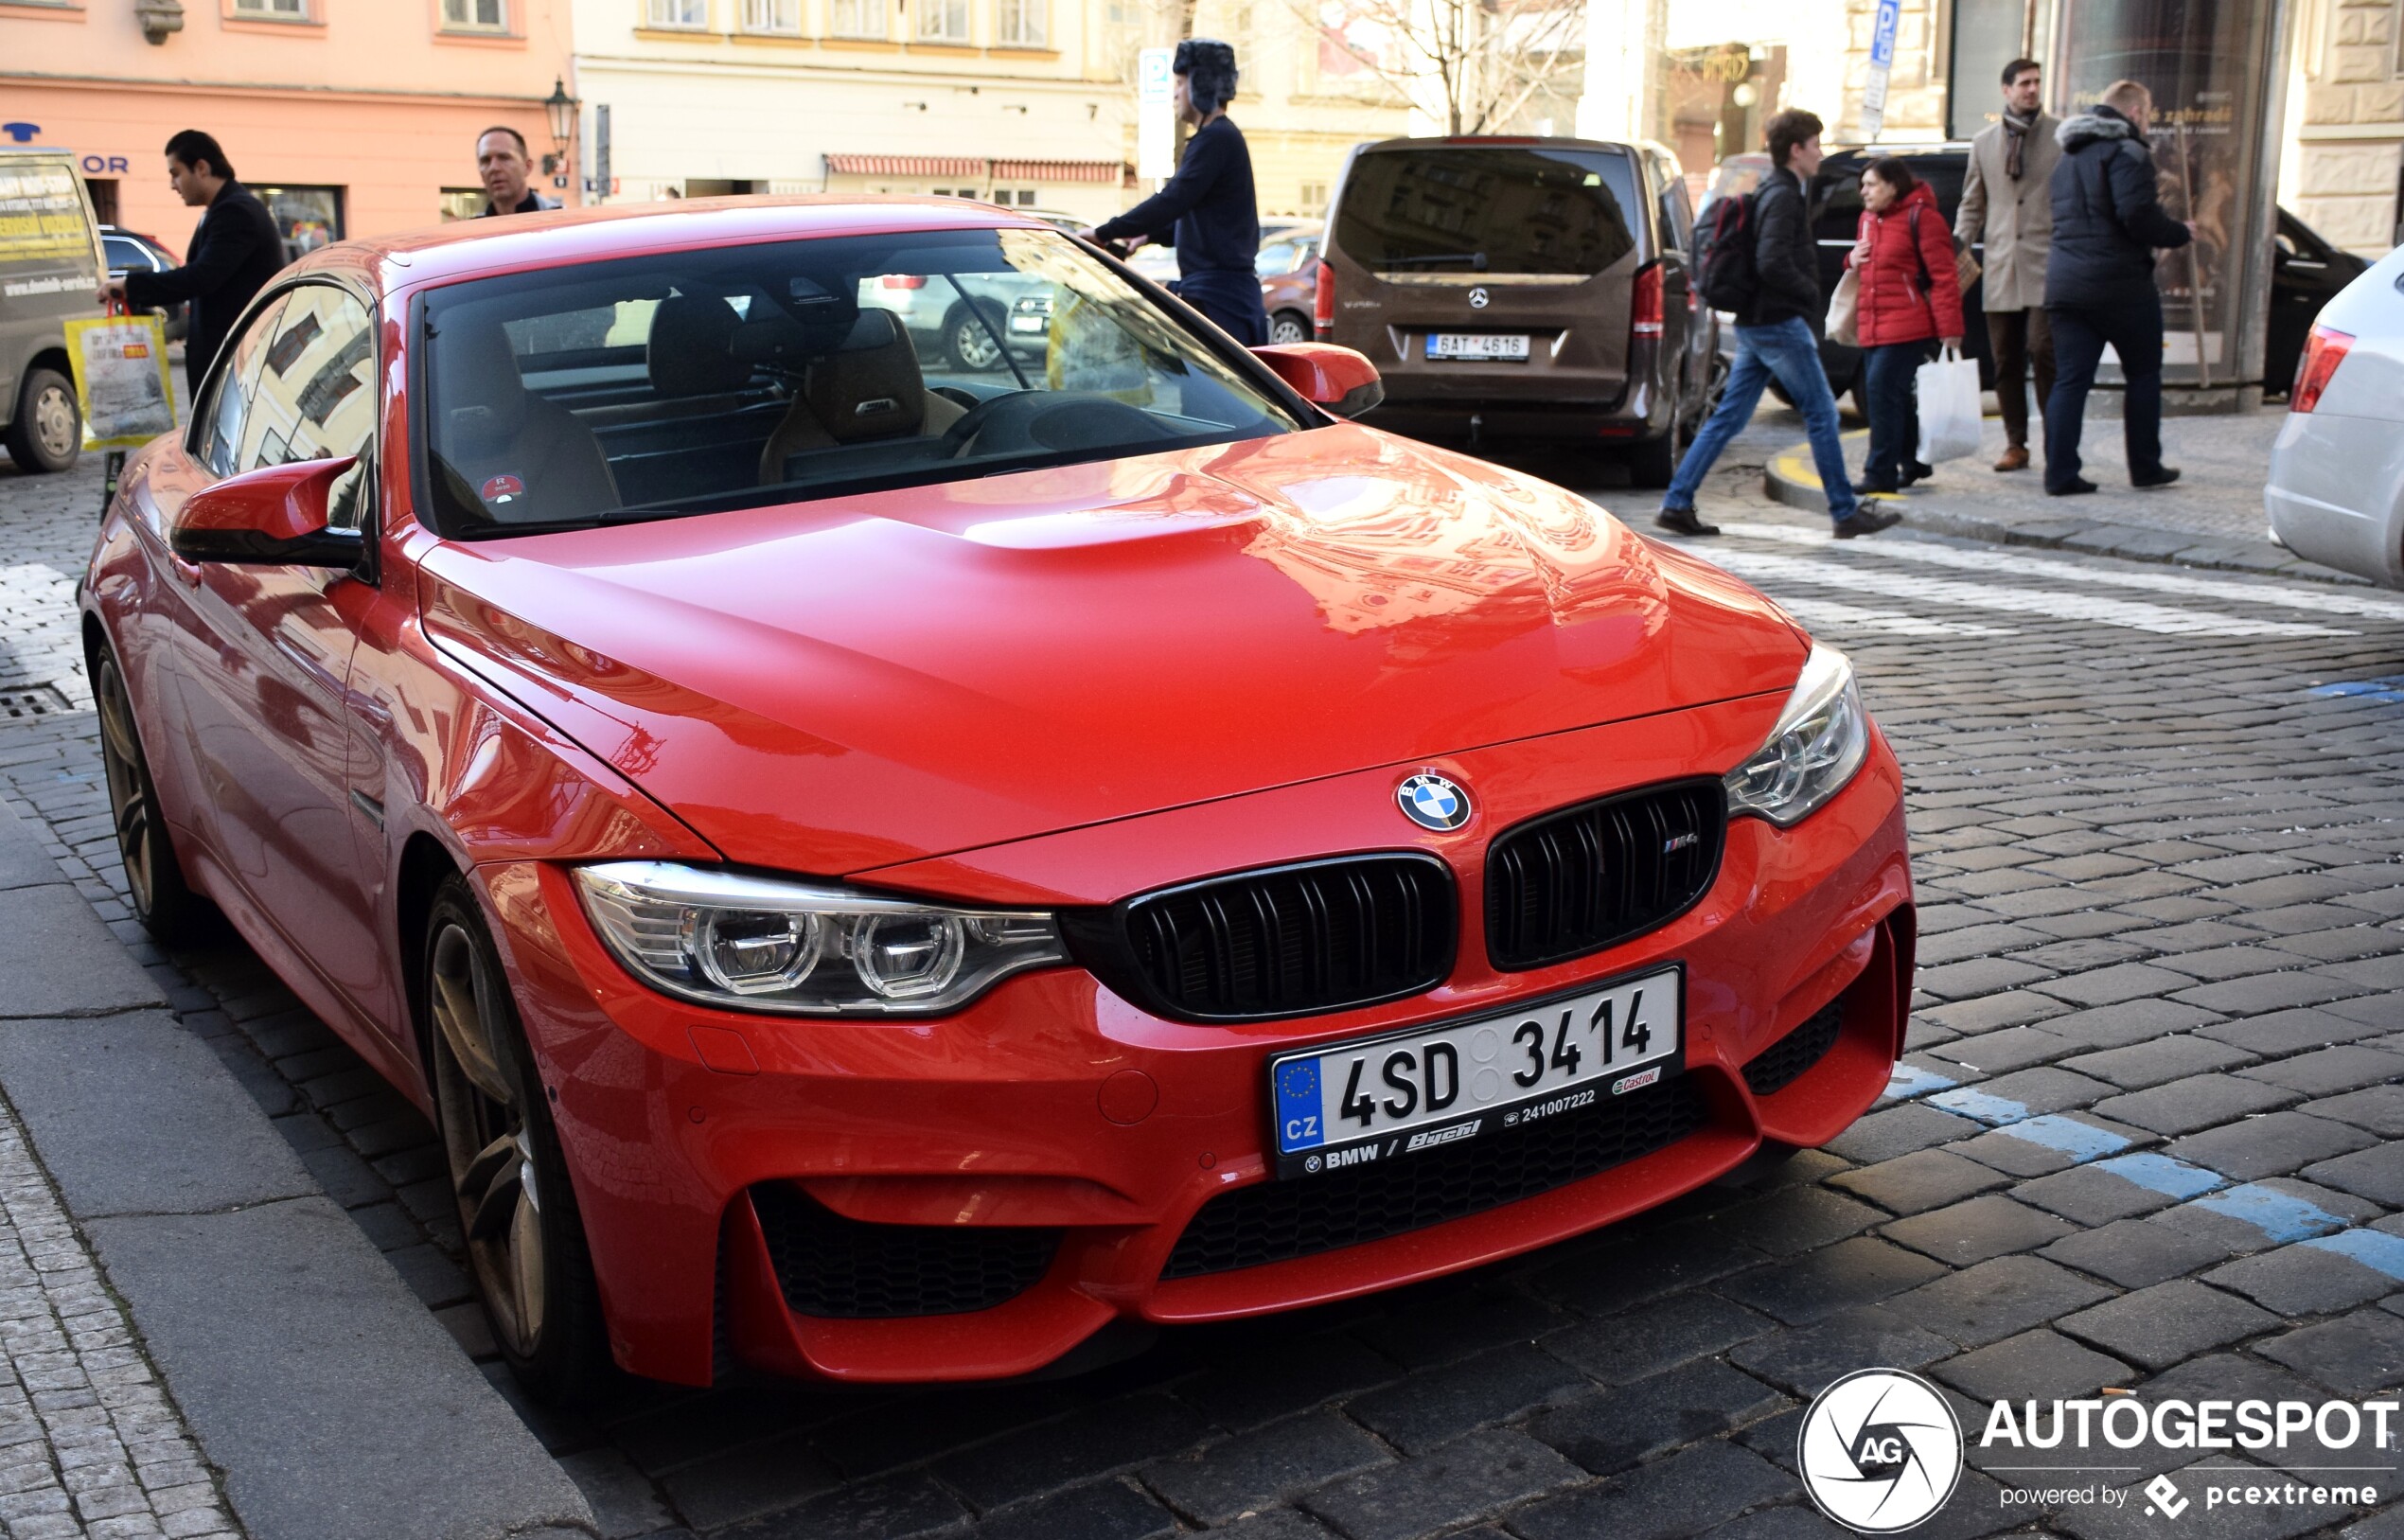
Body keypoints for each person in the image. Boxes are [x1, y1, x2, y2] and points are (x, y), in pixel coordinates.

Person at [1658, 110, 1900, 540]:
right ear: (1796, 149)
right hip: (1777, 322)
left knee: (1729, 418)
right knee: (1823, 413)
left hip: (1759, 322)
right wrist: (1808, 291)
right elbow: (1771, 260)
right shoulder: (1784, 196)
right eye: (1816, 145)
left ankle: (1677, 502)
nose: (1820, 154)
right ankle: (1845, 511)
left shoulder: (1776, 189)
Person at [2043, 79, 2195, 496]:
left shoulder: (2067, 157)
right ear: (2135, 113)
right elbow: (2137, 215)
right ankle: (2145, 467)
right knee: (2144, 373)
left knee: (2070, 380)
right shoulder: (2128, 152)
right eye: (2147, 114)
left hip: (2065, 284)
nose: (2147, 122)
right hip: (2120, 285)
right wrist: (2179, 232)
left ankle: (2059, 474)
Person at [1091, 40, 1267, 345]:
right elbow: (1204, 221)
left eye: (1181, 83)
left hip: (1219, 303)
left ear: (1202, 85)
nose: (1175, 92)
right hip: (1222, 300)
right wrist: (1147, 236)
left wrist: (1104, 233)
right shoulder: (1220, 137)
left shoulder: (1216, 139)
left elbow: (1173, 199)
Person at [96, 131, 284, 394]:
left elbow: (200, 278)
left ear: (201, 168)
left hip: (238, 367)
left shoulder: (235, 211)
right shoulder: (222, 209)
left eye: (176, 173)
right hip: (229, 363)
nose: (173, 184)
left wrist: (130, 285)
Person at [1955, 58, 2059, 473]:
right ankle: (2016, 443)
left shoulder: (2061, 136)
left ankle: (2058, 440)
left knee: (2043, 349)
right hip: (2000, 265)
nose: (2032, 89)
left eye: (2037, 81)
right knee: (2005, 359)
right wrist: (1959, 243)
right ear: (2006, 90)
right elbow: (1973, 203)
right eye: (2024, 83)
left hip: (2046, 263)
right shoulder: (1983, 142)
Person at [1844, 158, 1964, 496]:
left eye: (1871, 184)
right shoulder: (1867, 220)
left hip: (1908, 325)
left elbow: (1944, 277)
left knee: (1880, 394)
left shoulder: (1924, 218)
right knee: (1889, 395)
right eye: (1862, 185)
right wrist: (1850, 259)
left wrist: (1950, 327)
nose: (1863, 192)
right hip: (1872, 322)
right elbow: (1861, 266)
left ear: (1893, 186)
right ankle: (1913, 463)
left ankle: (1879, 472)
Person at [474, 126, 558, 219]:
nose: (494, 167)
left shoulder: (559, 223)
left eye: (504, 158)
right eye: (486, 160)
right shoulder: (473, 229)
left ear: (527, 166)